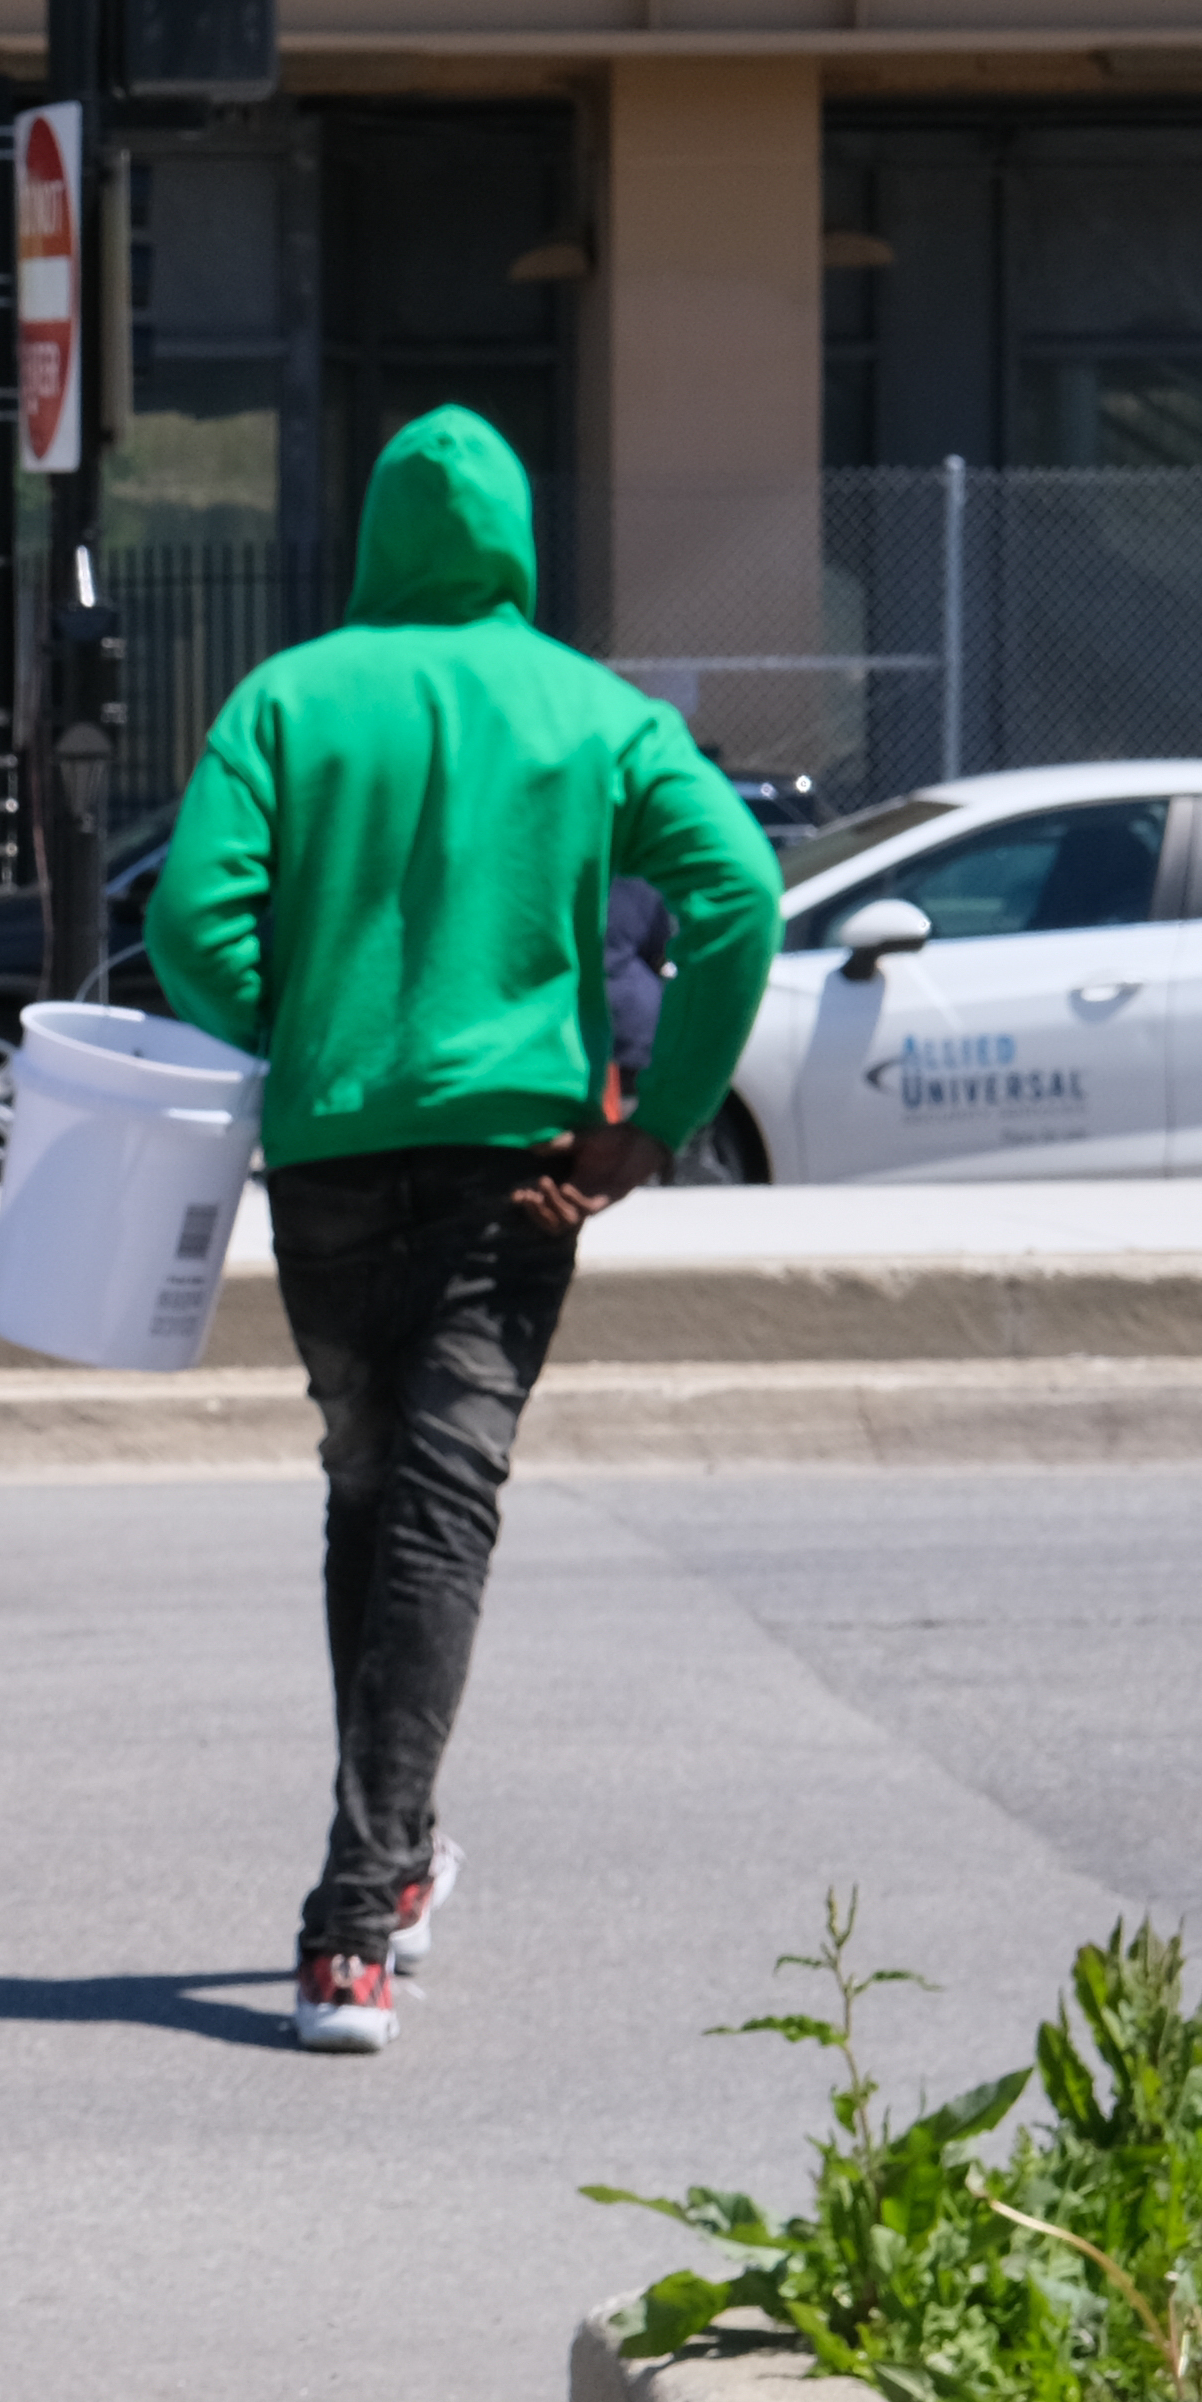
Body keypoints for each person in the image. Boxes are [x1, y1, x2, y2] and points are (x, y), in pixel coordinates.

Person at [143, 406, 779, 2056]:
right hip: (520, 1170)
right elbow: (743, 902)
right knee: (436, 1504)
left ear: (373, 533)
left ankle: (391, 1868)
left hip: (338, 1156)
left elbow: (189, 920)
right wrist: (652, 1121)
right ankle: (362, 1916)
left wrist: (307, 1032)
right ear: (513, 541)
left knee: (376, 1488)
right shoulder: (596, 713)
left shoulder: (287, 699)